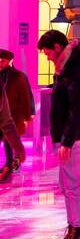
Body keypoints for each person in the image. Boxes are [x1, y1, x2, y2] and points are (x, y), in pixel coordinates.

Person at [37, 29, 80, 239]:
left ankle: (79, 234)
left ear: (58, 48)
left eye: (48, 53)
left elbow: (79, 108)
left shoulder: (76, 69)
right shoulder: (66, 67)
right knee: (67, 185)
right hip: (67, 137)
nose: (47, 57)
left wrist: (67, 140)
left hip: (72, 138)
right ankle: (73, 231)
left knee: (72, 185)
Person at [0, 48, 34, 180]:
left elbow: (26, 96)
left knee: (9, 140)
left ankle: (10, 165)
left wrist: (27, 115)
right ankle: (10, 163)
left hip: (13, 115)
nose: (0, 63)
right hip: (2, 114)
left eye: (3, 61)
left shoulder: (18, 76)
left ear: (10, 61)